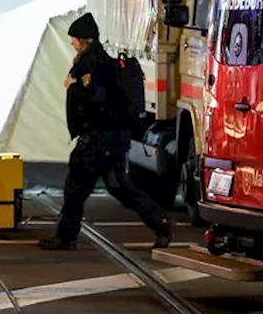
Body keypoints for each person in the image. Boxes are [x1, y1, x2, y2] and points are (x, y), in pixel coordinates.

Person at [39, 13, 174, 251]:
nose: (72, 43)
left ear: (84, 41)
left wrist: (75, 87)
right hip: (112, 138)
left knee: (77, 186)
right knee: (118, 186)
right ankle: (159, 221)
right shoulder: (99, 62)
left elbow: (96, 100)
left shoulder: (93, 66)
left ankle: (65, 237)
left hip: (99, 139)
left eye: (74, 39)